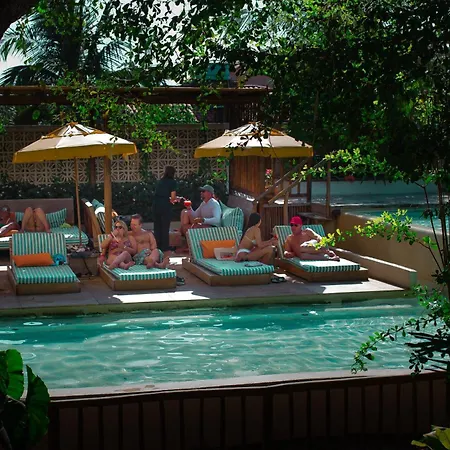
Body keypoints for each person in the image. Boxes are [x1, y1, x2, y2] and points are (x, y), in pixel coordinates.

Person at [153, 166, 180, 252]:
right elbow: (172, 197)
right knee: (165, 226)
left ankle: (157, 246)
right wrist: (177, 199)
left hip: (156, 204)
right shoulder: (172, 182)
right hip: (165, 205)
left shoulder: (160, 181)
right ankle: (164, 247)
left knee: (157, 226)